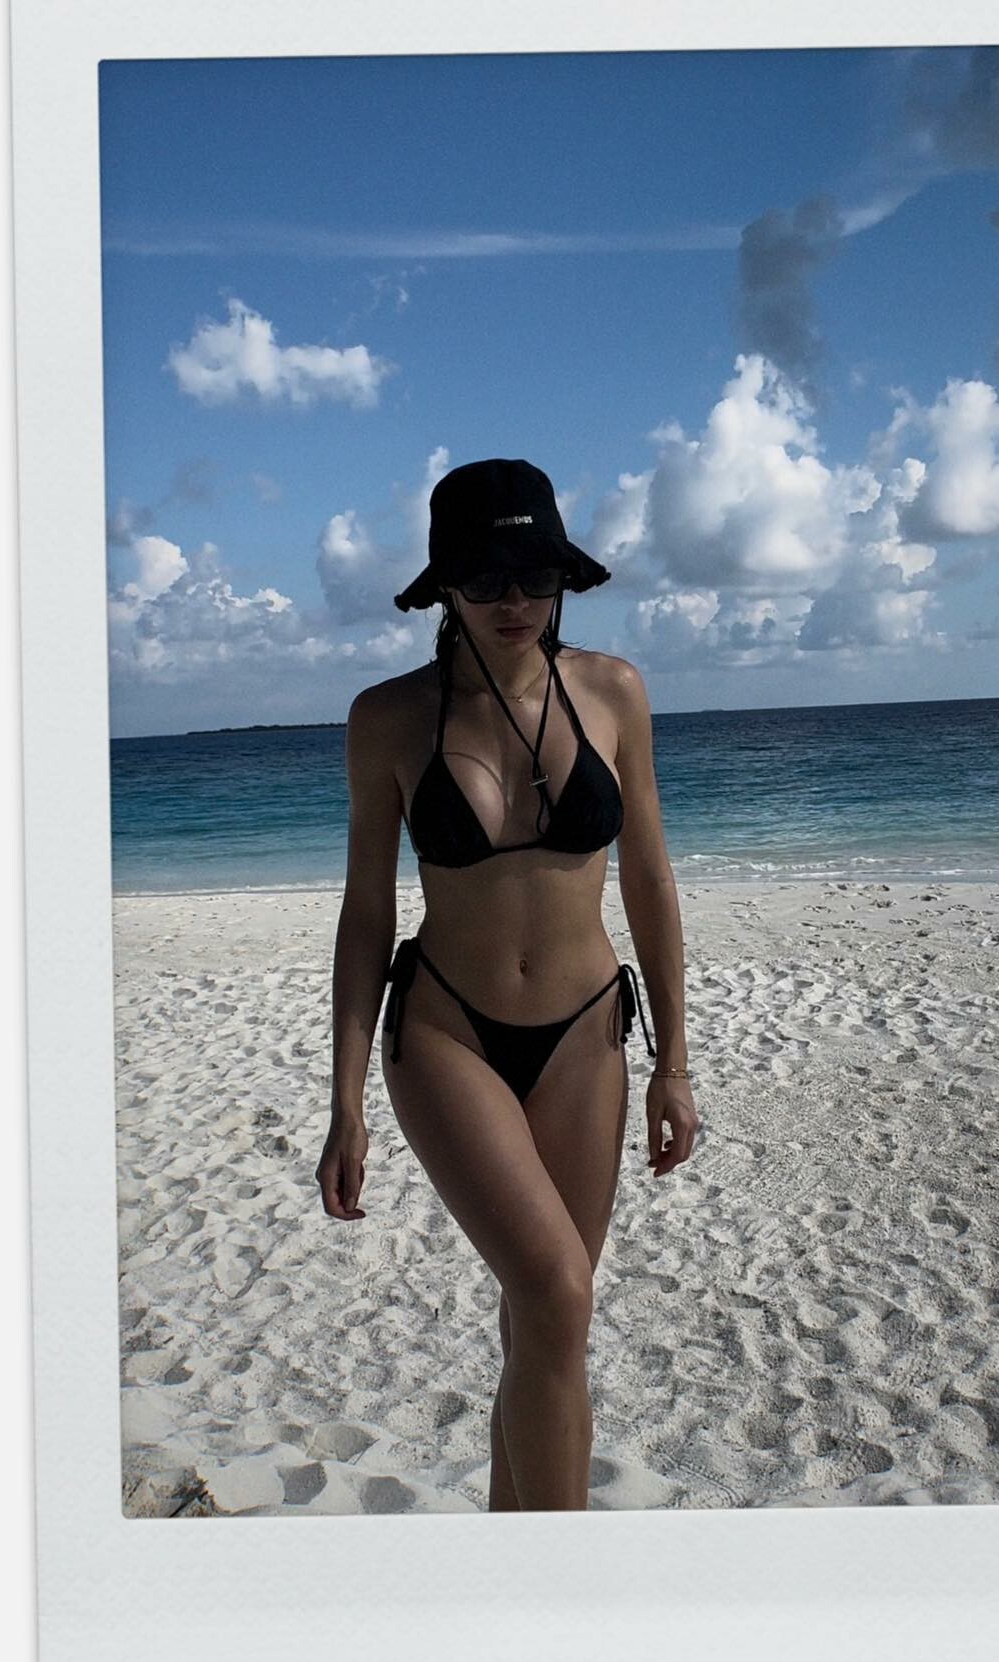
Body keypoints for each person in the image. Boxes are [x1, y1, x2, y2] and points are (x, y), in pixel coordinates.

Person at [314, 457, 698, 1512]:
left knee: (542, 1322)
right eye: (484, 579)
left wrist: (674, 1063)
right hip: (449, 1035)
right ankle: (564, 1580)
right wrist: (346, 1102)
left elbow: (652, 879)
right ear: (444, 586)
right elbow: (365, 910)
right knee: (557, 1291)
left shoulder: (614, 692)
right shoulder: (388, 717)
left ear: (565, 577)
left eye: (535, 576)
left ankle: (506, 1548)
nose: (513, 601)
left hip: (586, 1035)